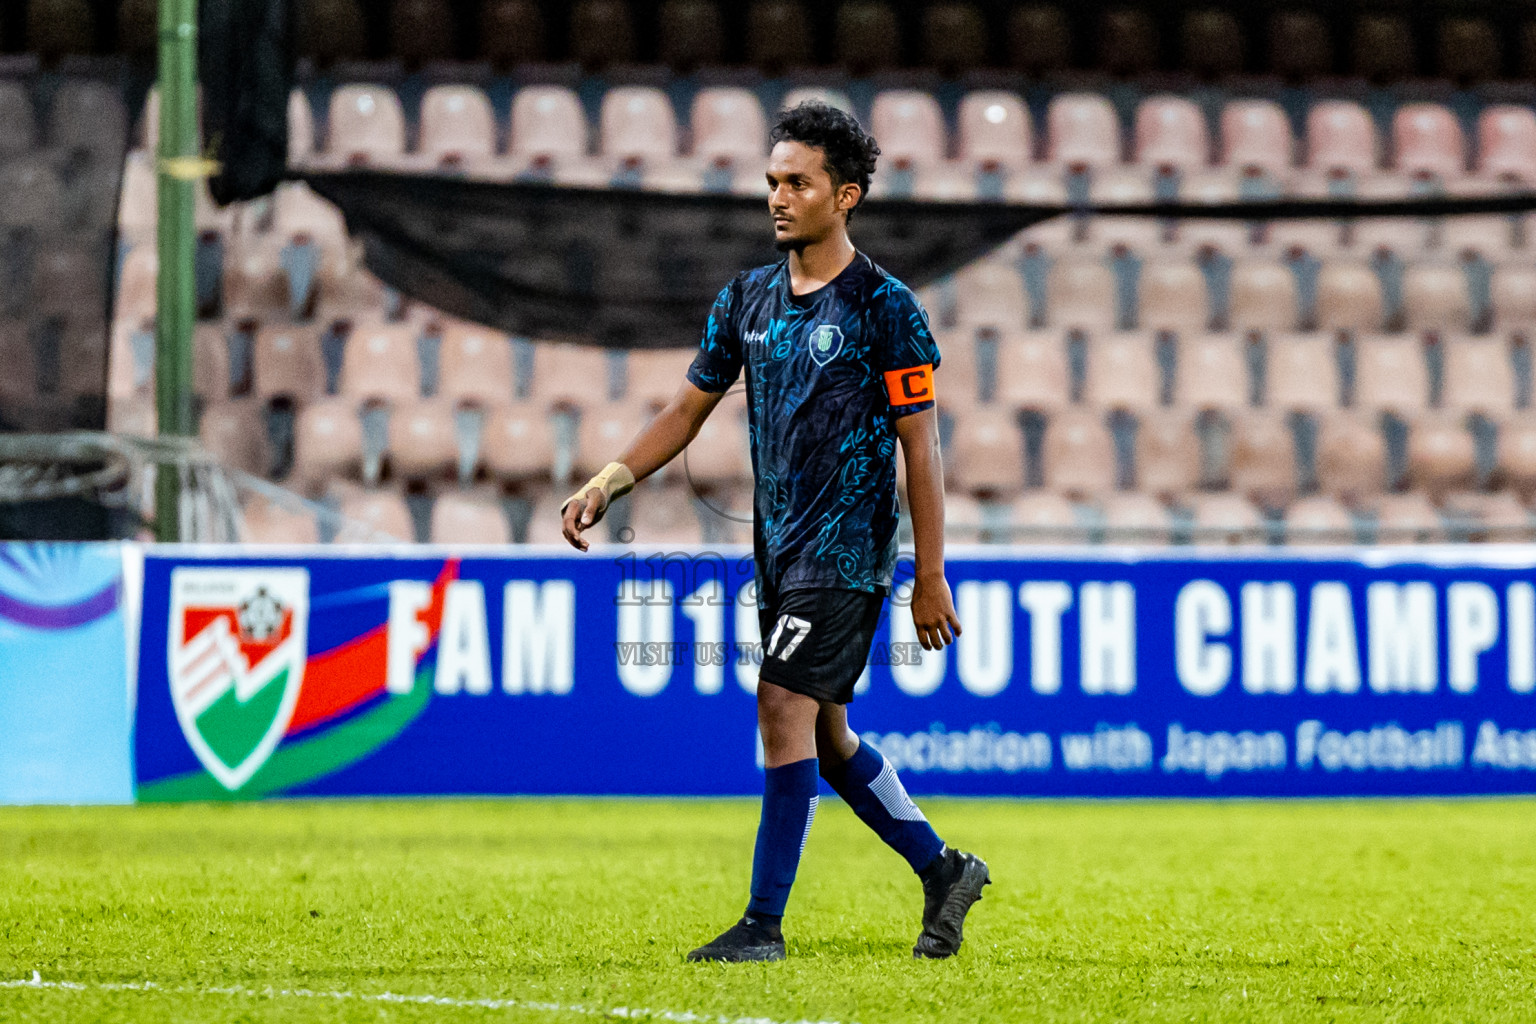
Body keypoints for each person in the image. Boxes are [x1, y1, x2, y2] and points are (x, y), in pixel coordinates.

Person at [560, 101, 989, 963]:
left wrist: (930, 574)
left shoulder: (885, 307)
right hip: (781, 551)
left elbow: (921, 444)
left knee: (779, 702)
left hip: (848, 550)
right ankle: (944, 870)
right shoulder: (748, 298)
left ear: (847, 195)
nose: (779, 199)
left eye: (798, 182)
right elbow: (687, 407)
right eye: (772, 182)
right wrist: (612, 478)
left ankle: (763, 925)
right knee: (827, 740)